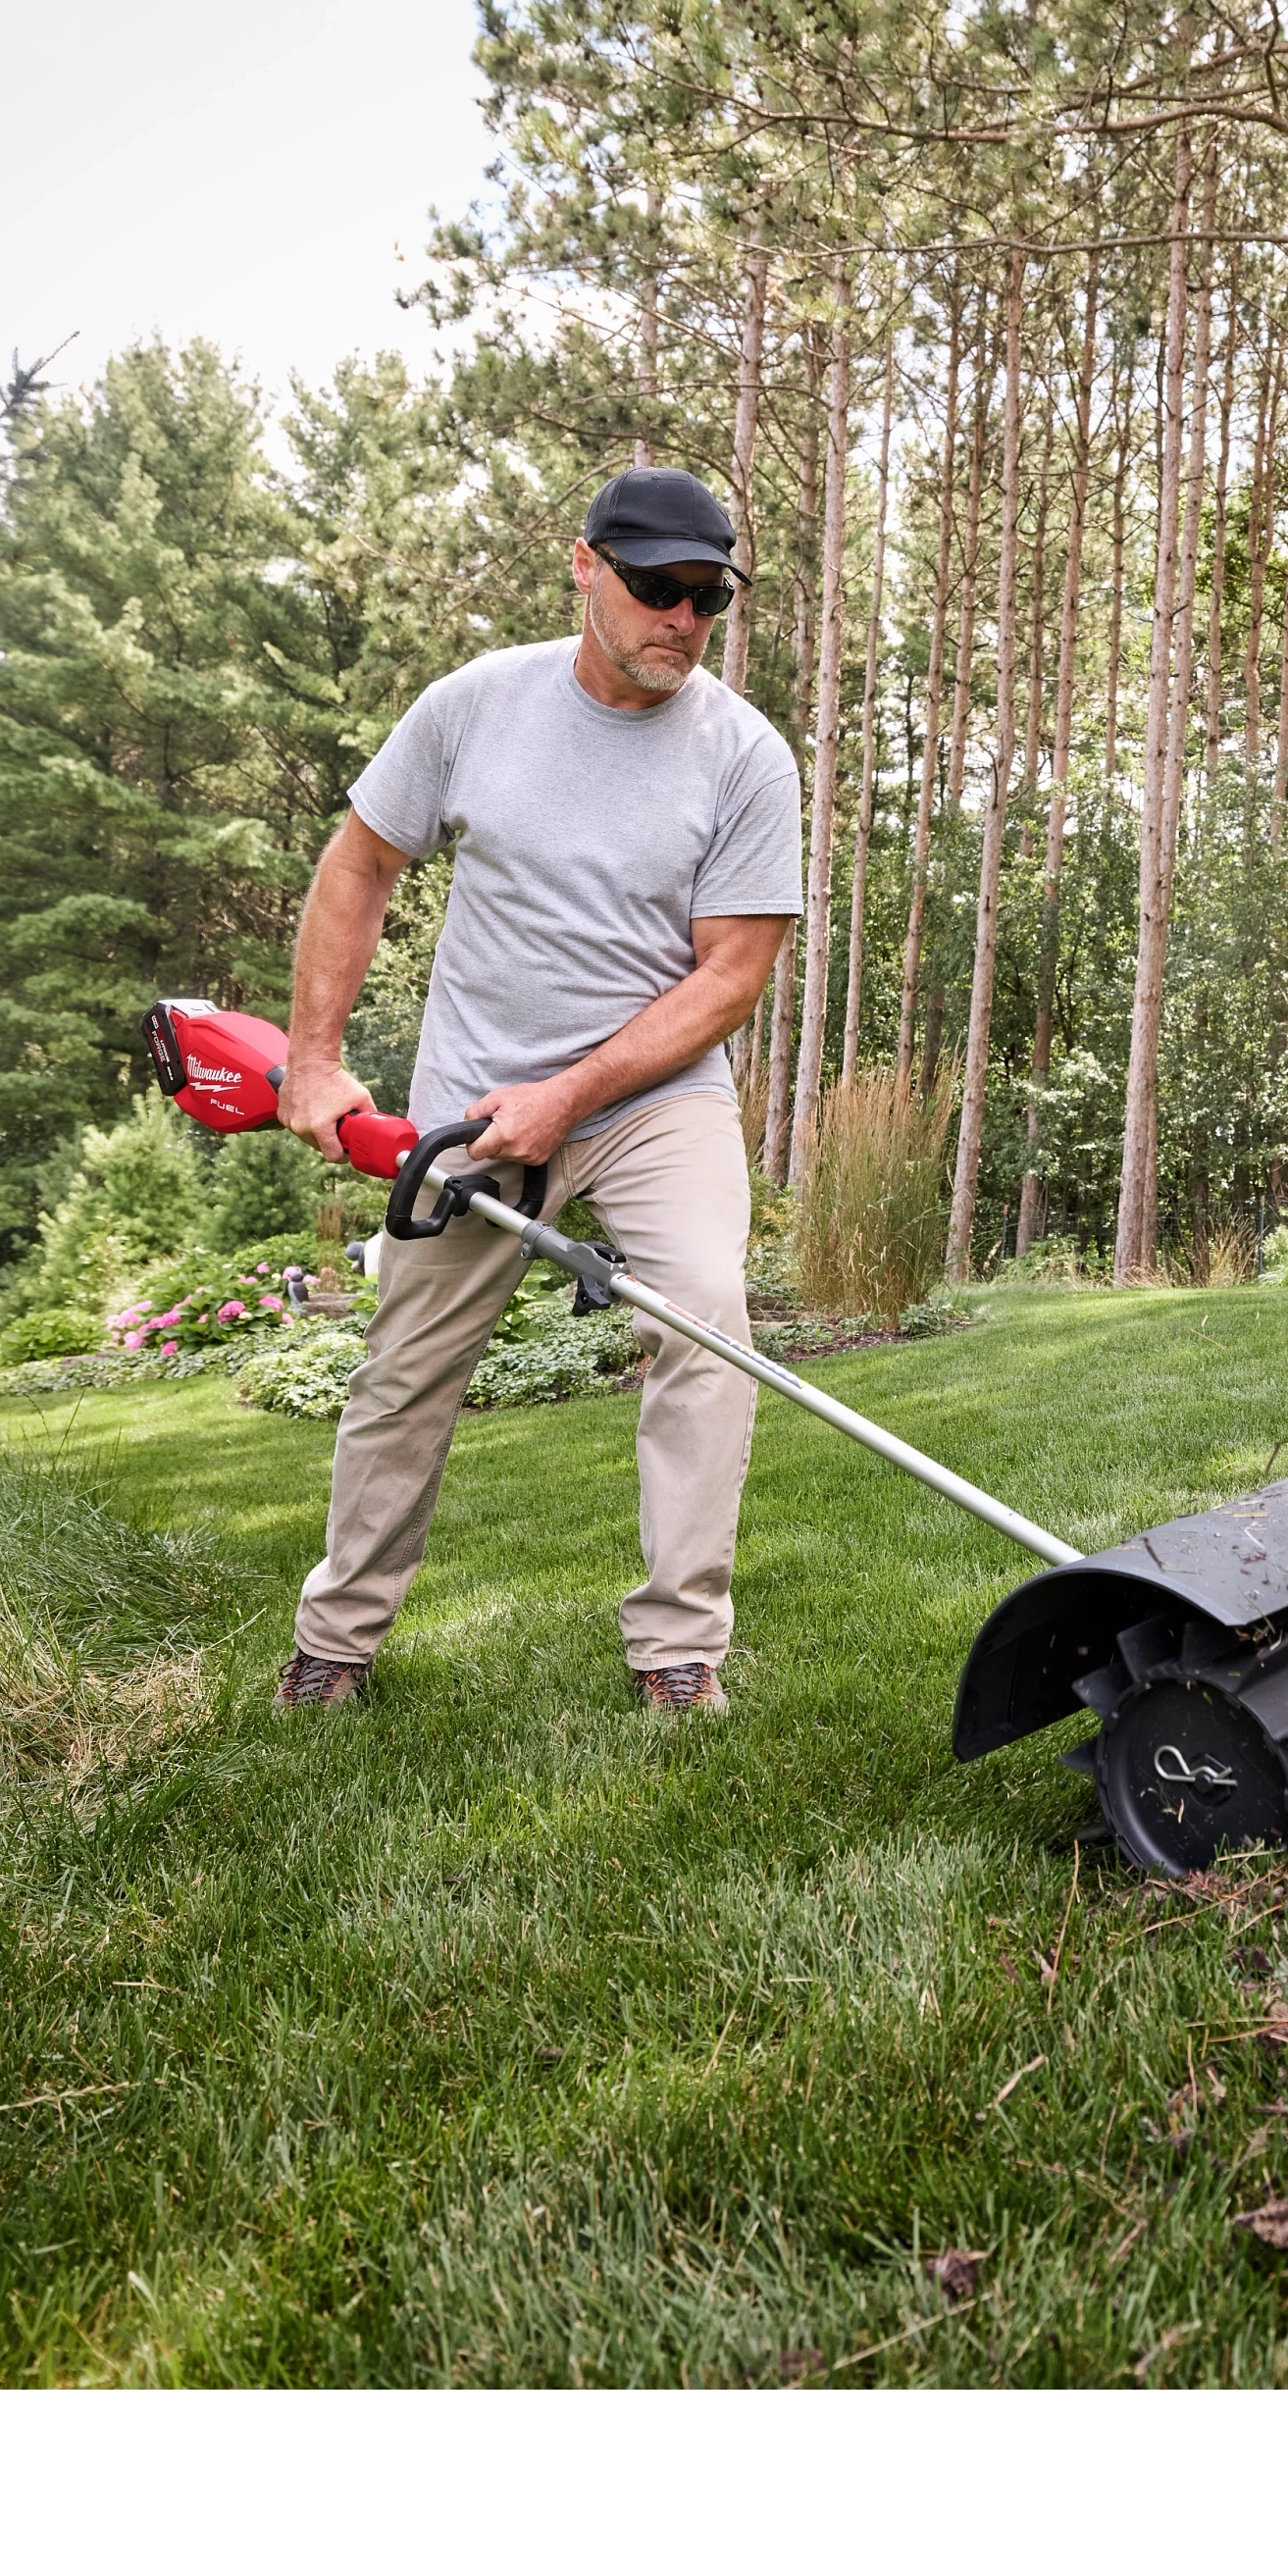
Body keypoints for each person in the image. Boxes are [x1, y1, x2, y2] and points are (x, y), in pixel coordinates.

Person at [273, 467, 797, 1716]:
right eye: (655, 587)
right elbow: (357, 866)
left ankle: (679, 1649)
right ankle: (337, 1642)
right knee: (404, 1369)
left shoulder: (745, 756)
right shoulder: (475, 705)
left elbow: (729, 978)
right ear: (584, 567)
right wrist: (312, 1053)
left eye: (706, 596)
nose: (681, 616)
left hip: (650, 1100)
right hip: (469, 1103)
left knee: (709, 1320)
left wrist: (570, 1095)